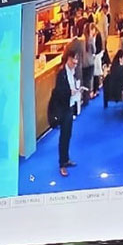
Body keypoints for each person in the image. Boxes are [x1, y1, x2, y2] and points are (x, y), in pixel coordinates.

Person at [50, 49, 87, 177]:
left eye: (76, 59)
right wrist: (70, 92)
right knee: (64, 137)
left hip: (70, 107)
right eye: (73, 59)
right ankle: (62, 164)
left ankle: (66, 159)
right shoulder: (62, 74)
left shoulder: (73, 72)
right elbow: (59, 92)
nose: (75, 62)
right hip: (63, 109)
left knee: (68, 135)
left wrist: (76, 91)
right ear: (68, 59)